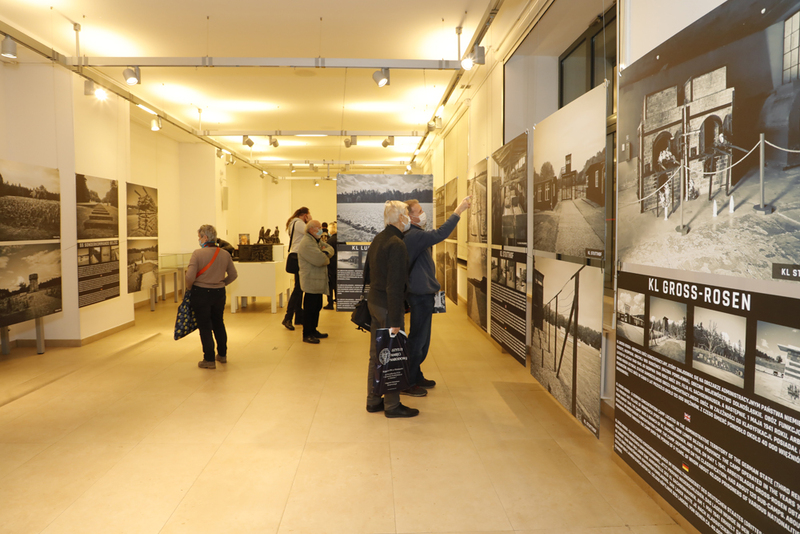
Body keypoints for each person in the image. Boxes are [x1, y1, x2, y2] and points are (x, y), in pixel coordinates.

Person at [403, 196, 471, 395]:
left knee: (422, 339)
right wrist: (458, 211)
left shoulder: (414, 233)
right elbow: (441, 233)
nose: (423, 214)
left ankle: (415, 374)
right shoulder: (414, 235)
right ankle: (408, 380)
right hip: (420, 295)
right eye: (419, 211)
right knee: (418, 340)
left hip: (423, 293)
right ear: (410, 216)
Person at [365, 200, 418, 418]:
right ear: (400, 218)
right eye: (407, 214)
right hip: (388, 306)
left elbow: (368, 273)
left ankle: (373, 400)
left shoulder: (379, 238)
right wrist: (396, 320)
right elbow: (395, 286)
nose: (409, 218)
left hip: (375, 302)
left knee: (376, 354)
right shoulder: (396, 243)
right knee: (392, 355)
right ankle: (393, 405)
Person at [186, 224, 238, 369]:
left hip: (201, 293)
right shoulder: (225, 254)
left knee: (205, 326)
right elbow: (233, 275)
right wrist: (221, 283)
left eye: (199, 237)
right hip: (219, 294)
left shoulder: (197, 254)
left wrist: (190, 288)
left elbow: (189, 276)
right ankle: (222, 354)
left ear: (205, 237)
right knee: (218, 323)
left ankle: (208, 359)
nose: (198, 240)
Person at [297, 219, 334, 344]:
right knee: (310, 308)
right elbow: (320, 260)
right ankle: (307, 333)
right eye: (318, 227)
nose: (321, 230)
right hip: (310, 280)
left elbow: (330, 249)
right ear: (311, 229)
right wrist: (325, 255)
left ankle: (313, 330)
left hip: (317, 280)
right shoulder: (308, 243)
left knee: (316, 306)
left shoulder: (316, 241)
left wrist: (324, 253)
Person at [283, 207, 312, 331]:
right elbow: (313, 233)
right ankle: (288, 318)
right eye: (309, 215)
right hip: (298, 257)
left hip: (295, 256)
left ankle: (298, 317)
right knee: (299, 289)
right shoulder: (299, 223)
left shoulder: (292, 223)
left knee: (299, 288)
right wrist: (311, 221)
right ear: (304, 215)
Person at [323, 221, 338, 310]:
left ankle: (330, 303)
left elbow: (327, 253)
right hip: (340, 264)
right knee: (337, 284)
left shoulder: (330, 240)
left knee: (330, 285)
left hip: (331, 264)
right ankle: (338, 300)